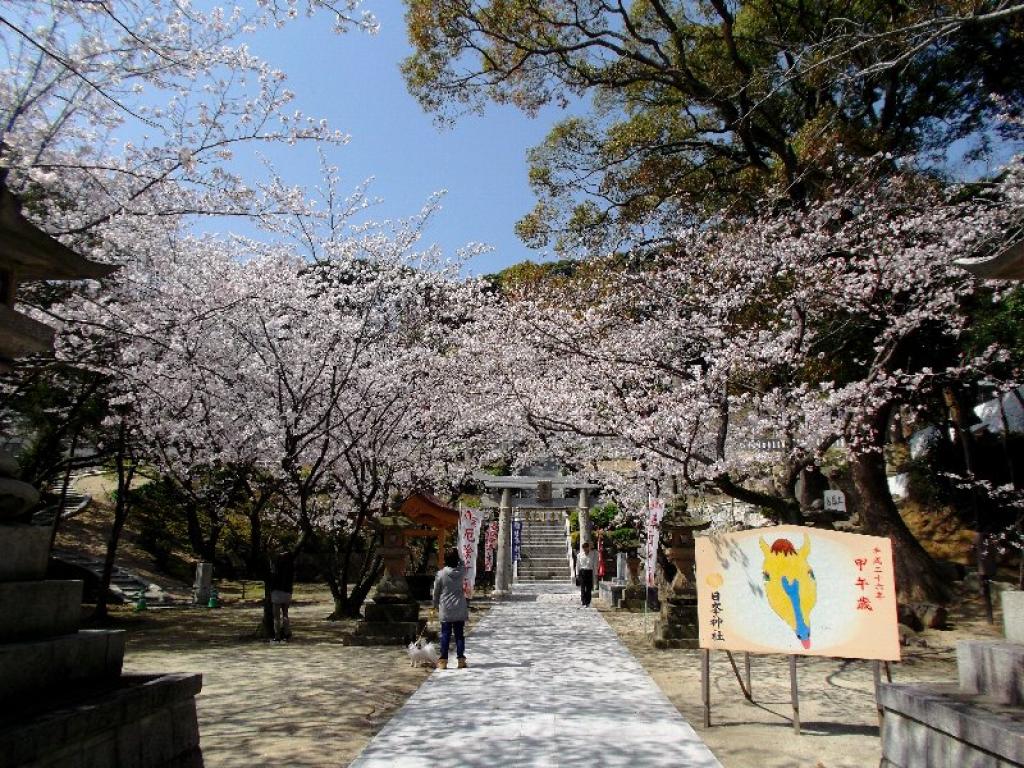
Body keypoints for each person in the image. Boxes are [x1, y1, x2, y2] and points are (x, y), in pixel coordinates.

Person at [432, 549, 469, 669]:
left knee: (445, 635)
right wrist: (460, 557)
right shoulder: (461, 572)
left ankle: (443, 661)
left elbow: (436, 592)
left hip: (446, 608)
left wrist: (435, 605)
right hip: (459, 607)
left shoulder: (441, 574)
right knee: (459, 635)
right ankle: (461, 660)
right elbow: (464, 564)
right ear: (456, 560)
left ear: (445, 560)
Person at [269, 550, 295, 642]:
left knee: (276, 616)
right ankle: (287, 633)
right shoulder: (290, 567)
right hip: (287, 592)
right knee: (285, 614)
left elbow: (272, 578)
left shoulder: (276, 566)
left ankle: (277, 635)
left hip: (277, 592)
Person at [577, 540, 597, 607]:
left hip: (589, 572)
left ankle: (588, 602)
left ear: (589, 547)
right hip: (582, 572)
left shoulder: (593, 554)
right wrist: (577, 573)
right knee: (582, 588)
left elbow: (595, 564)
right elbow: (578, 565)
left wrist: (595, 573)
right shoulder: (579, 555)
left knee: (588, 588)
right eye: (584, 547)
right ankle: (583, 601)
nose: (585, 549)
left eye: (586, 547)